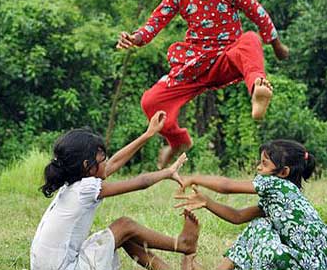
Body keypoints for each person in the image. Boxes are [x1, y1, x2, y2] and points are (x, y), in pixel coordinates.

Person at [116, 0, 290, 169]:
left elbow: (260, 16)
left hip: (228, 59)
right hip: (194, 65)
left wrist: (277, 46)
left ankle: (257, 90)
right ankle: (178, 141)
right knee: (151, 101)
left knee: (249, 39)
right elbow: (155, 22)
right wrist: (135, 38)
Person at [30, 111, 200, 270]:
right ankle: (183, 244)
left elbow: (115, 163)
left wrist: (148, 134)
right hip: (66, 267)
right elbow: (141, 182)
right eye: (102, 157)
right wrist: (167, 172)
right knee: (124, 225)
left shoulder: (74, 182)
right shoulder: (85, 189)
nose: (106, 161)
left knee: (121, 236)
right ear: (87, 166)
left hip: (51, 265)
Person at [175, 139, 327, 270]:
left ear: (283, 172)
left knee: (259, 226)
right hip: (319, 264)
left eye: (264, 164)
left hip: (307, 263)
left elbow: (227, 186)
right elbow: (238, 216)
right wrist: (207, 201)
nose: (258, 168)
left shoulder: (275, 184)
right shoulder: (285, 196)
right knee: (260, 224)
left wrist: (194, 178)